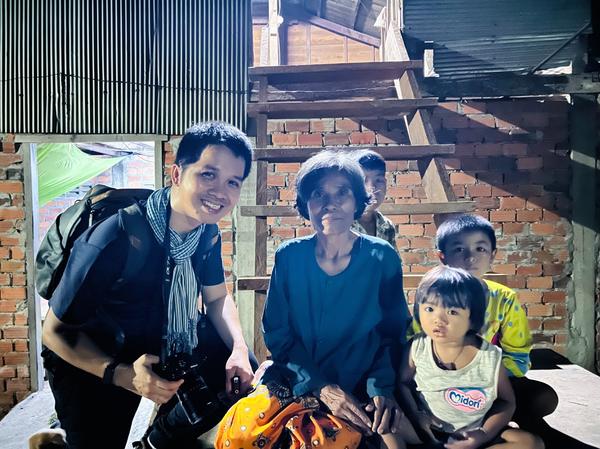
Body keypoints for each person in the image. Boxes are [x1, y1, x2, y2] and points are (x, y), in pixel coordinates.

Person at [41, 122, 256, 449]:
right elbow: (54, 332)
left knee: (239, 375)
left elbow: (216, 299)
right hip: (94, 353)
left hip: (160, 339)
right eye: (208, 175)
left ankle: (155, 441)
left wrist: (239, 349)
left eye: (232, 182)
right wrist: (122, 374)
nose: (220, 192)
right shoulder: (117, 235)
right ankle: (57, 438)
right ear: (177, 174)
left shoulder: (206, 234)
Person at [261, 151, 411, 448]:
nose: (330, 203)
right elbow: (278, 335)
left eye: (342, 192)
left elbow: (391, 333)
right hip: (300, 382)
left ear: (357, 201)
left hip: (362, 386)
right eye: (318, 194)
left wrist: (380, 388)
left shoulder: (381, 257)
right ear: (305, 204)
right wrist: (321, 387)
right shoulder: (289, 256)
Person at [432, 215, 559, 433]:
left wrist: (487, 380)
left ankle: (494, 420)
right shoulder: (431, 300)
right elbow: (417, 351)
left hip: (494, 383)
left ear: (492, 255)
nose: (470, 257)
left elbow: (518, 357)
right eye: (459, 249)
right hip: (446, 385)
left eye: (480, 249)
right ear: (442, 257)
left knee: (543, 398)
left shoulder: (504, 298)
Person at [397, 265, 544, 449]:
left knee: (531, 443)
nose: (438, 319)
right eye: (429, 309)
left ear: (473, 318)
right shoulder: (417, 347)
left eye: (452, 312)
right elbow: (402, 382)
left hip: (474, 432)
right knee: (389, 427)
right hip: (428, 430)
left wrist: (483, 434)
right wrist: (416, 414)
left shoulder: (489, 357)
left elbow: (506, 402)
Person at [350, 149, 398, 251]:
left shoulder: (387, 226)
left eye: (378, 180)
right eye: (363, 180)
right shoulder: (340, 226)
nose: (372, 188)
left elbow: (392, 260)